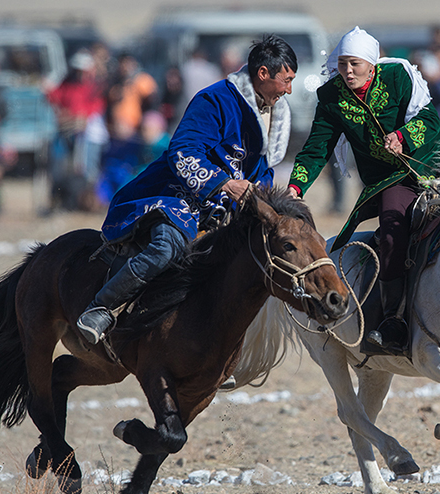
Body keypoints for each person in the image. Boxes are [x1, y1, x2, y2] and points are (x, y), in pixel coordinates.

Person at [77, 35, 298, 345]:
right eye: (286, 80)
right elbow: (183, 150)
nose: (289, 89)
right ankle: (99, 308)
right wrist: (223, 182)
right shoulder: (215, 100)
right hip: (174, 193)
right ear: (263, 74)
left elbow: (261, 172)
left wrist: (271, 200)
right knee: (168, 248)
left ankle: (211, 355)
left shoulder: (273, 114)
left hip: (225, 208)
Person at [286, 27, 440, 352]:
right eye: (341, 64)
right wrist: (296, 186)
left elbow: (430, 120)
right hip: (389, 178)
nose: (347, 71)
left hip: (436, 160)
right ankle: (393, 319)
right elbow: (316, 149)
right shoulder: (332, 97)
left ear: (372, 63)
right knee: (393, 230)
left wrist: (403, 137)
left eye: (354, 64)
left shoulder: (397, 76)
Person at [46, 50, 106, 212]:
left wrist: (79, 117)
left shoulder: (94, 87)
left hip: (87, 135)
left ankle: (87, 202)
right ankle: (60, 201)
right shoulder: (67, 83)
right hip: (67, 132)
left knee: (86, 170)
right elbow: (54, 97)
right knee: (60, 168)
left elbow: (93, 109)